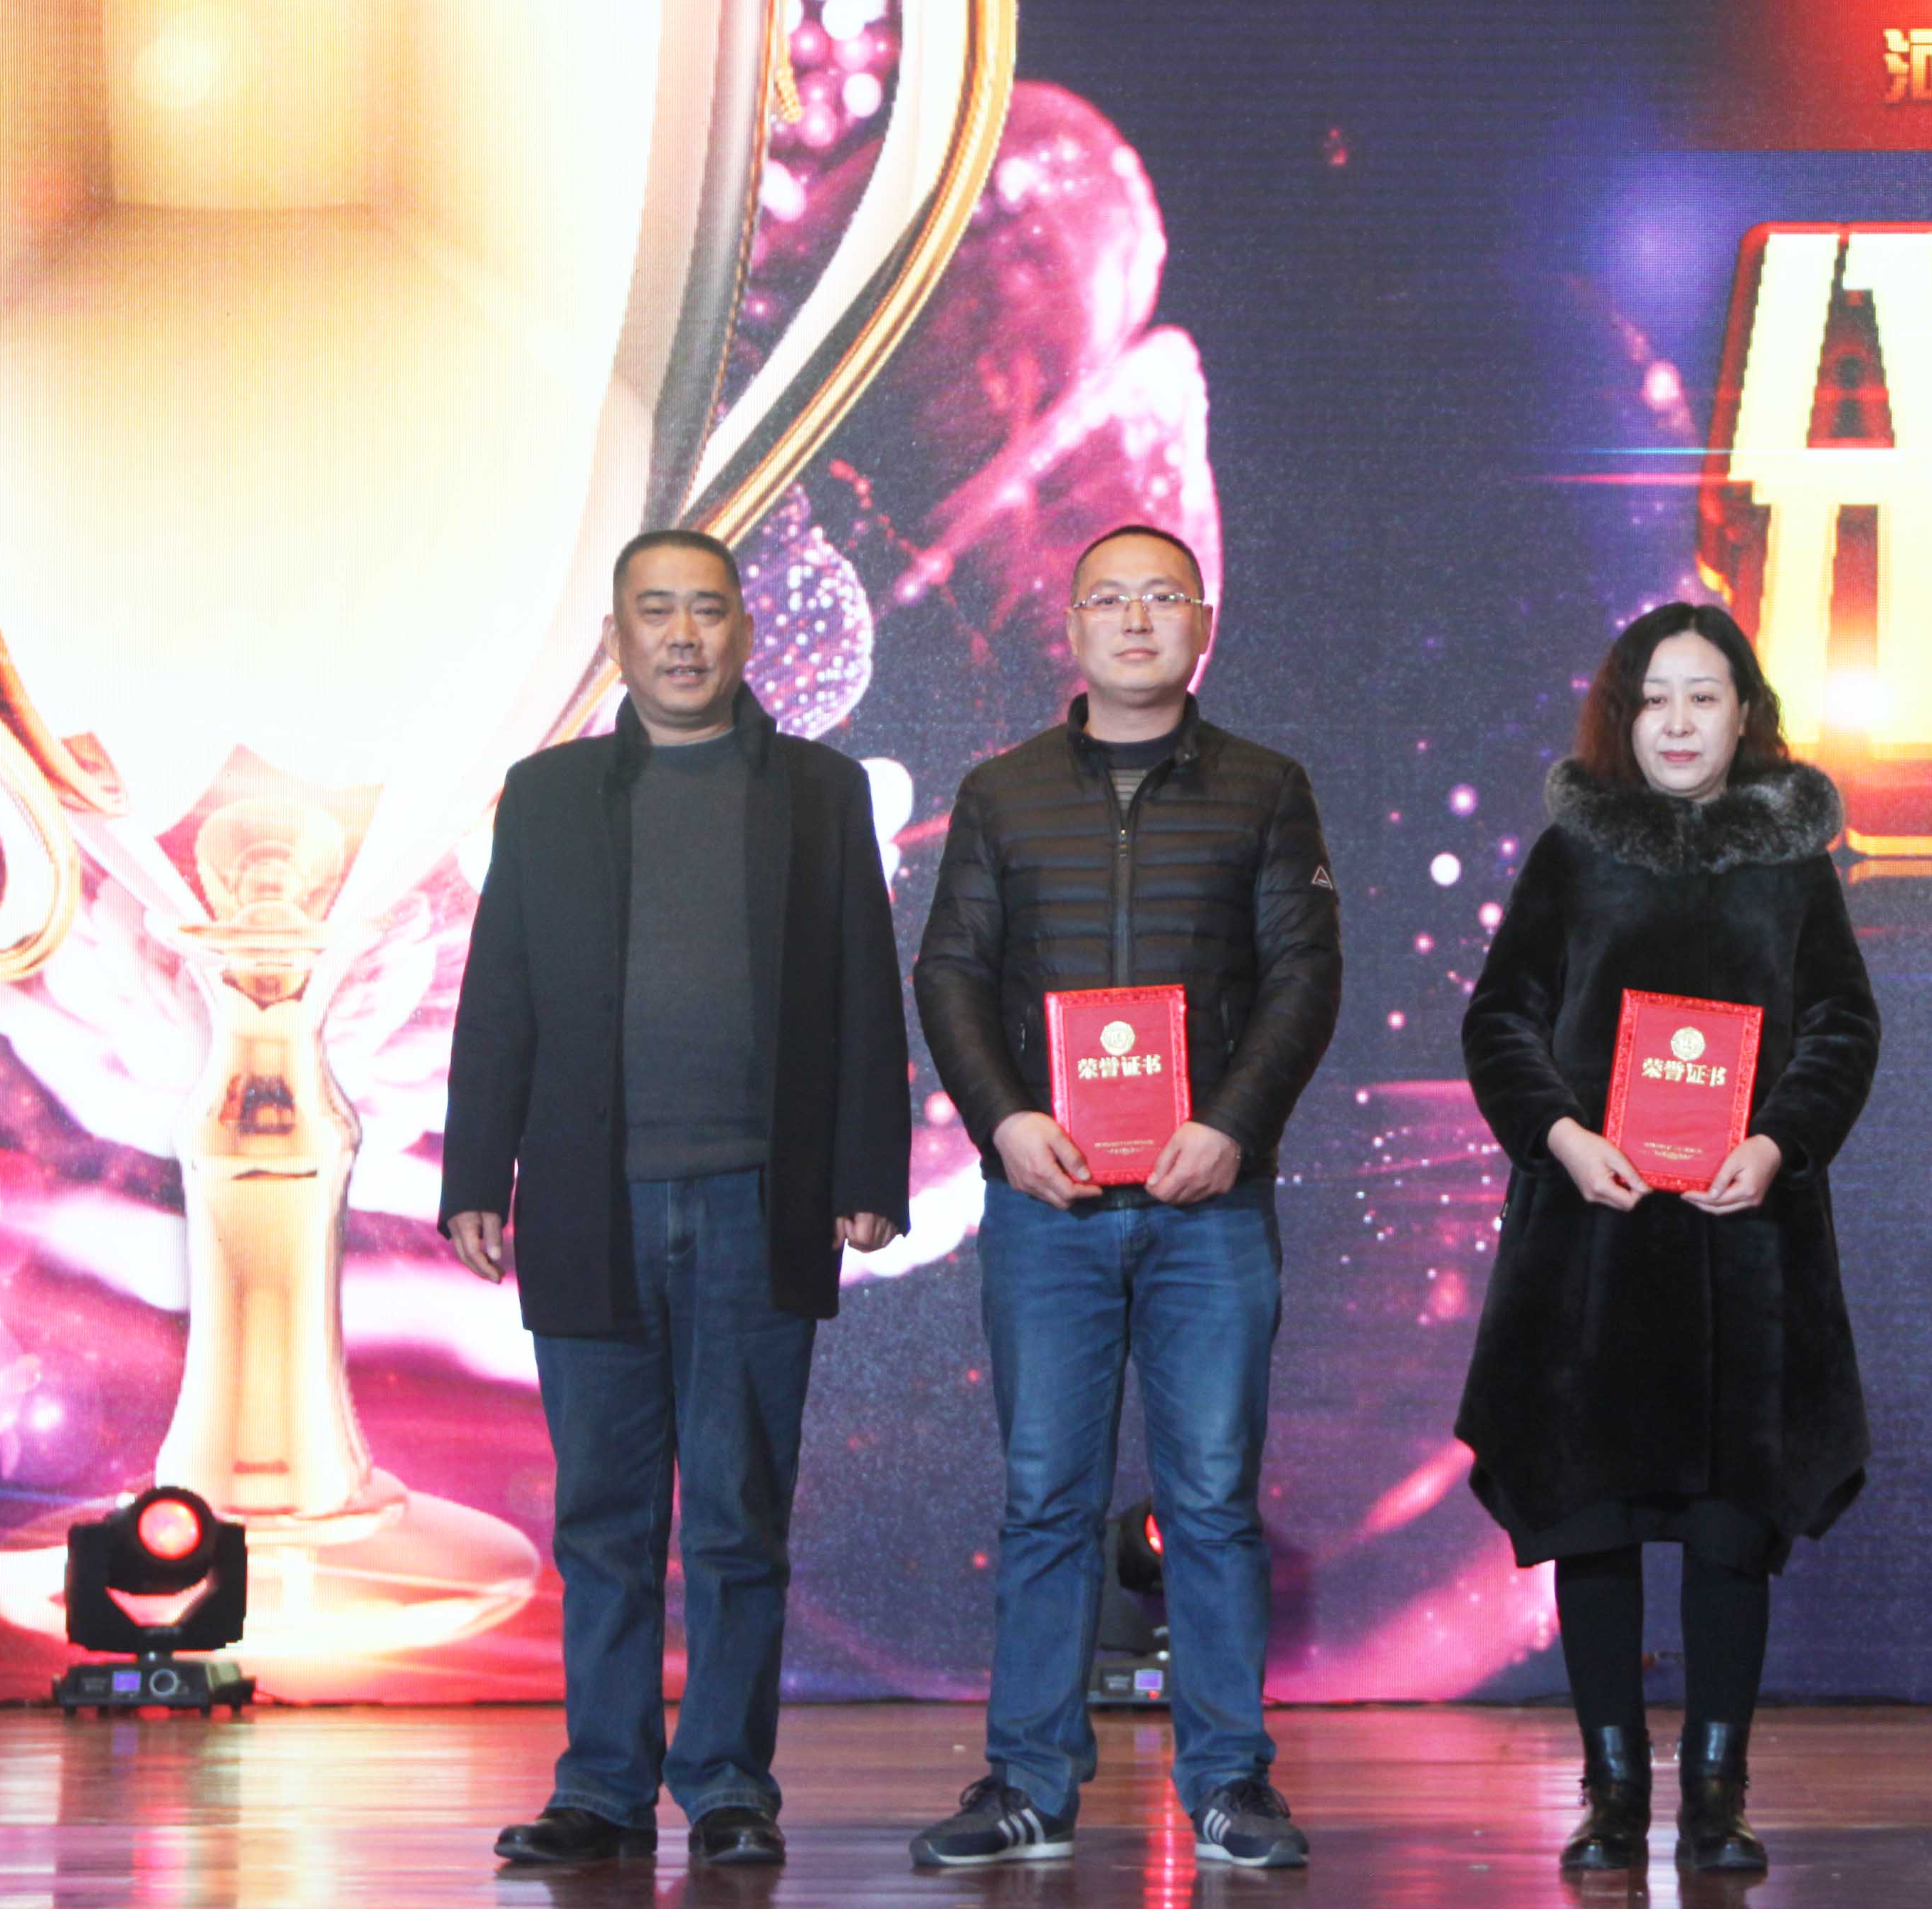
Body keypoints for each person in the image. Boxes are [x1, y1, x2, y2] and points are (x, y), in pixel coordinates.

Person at [440, 527, 912, 1869]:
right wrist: (476, 1172)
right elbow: (499, 995)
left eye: (708, 610)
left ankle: (728, 1786)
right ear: (619, 636)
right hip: (591, 1204)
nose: (685, 635)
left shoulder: (819, 791)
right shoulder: (546, 796)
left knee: (737, 1513)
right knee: (603, 1516)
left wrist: (867, 1170)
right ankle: (601, 1787)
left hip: (761, 1202)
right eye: (657, 611)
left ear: (745, 631)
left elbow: (862, 986)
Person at [907, 523, 1341, 1871]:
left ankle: (1230, 1783)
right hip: (1048, 1205)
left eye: (1163, 597)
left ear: (1202, 623)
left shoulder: (1265, 787)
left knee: (1211, 1498)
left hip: (1210, 1203)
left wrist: (1232, 1127)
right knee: (1046, 1498)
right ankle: (1029, 1783)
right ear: (1073, 626)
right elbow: (951, 972)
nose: (1138, 620)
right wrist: (1005, 1121)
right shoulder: (1002, 792)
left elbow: (1304, 974)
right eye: (1111, 598)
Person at [1454, 602, 1877, 1876]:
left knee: (1730, 1527)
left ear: (1746, 715)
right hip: (1592, 1237)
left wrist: (1780, 1143)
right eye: (1654, 699)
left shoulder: (1793, 860)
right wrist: (1561, 1137)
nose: (1678, 723)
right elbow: (1501, 1020)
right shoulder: (1573, 853)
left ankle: (1716, 1796)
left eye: (1704, 697)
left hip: (1746, 1243)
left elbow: (1843, 1027)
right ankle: (1612, 1793)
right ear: (1621, 717)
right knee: (1590, 1518)